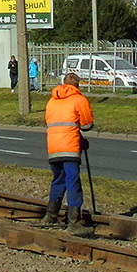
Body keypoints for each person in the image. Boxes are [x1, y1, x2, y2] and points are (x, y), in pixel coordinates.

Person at [43, 72, 95, 236]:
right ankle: (74, 223)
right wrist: (81, 139)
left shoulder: (52, 101)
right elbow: (87, 124)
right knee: (73, 182)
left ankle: (50, 215)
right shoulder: (79, 100)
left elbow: (58, 125)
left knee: (59, 180)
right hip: (70, 147)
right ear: (77, 85)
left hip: (53, 147)